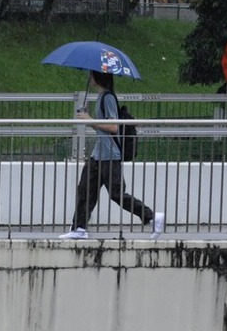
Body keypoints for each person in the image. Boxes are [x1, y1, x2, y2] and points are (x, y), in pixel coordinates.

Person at [61, 70, 164, 240]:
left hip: (110, 156)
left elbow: (113, 127)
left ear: (98, 77)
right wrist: (89, 120)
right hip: (98, 155)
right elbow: (103, 128)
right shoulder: (102, 97)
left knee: (117, 194)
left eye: (91, 75)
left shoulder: (108, 97)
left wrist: (89, 119)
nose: (89, 78)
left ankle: (151, 217)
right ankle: (79, 228)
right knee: (86, 190)